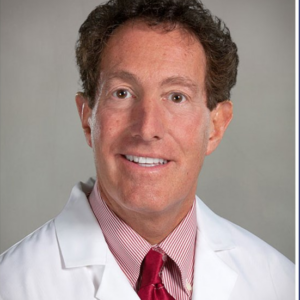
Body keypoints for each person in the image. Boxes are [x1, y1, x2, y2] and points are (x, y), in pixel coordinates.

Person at [0, 0, 294, 299]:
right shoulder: (12, 284)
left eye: (176, 97)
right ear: (87, 117)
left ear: (216, 126)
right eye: (122, 93)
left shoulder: (279, 282)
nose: (147, 128)